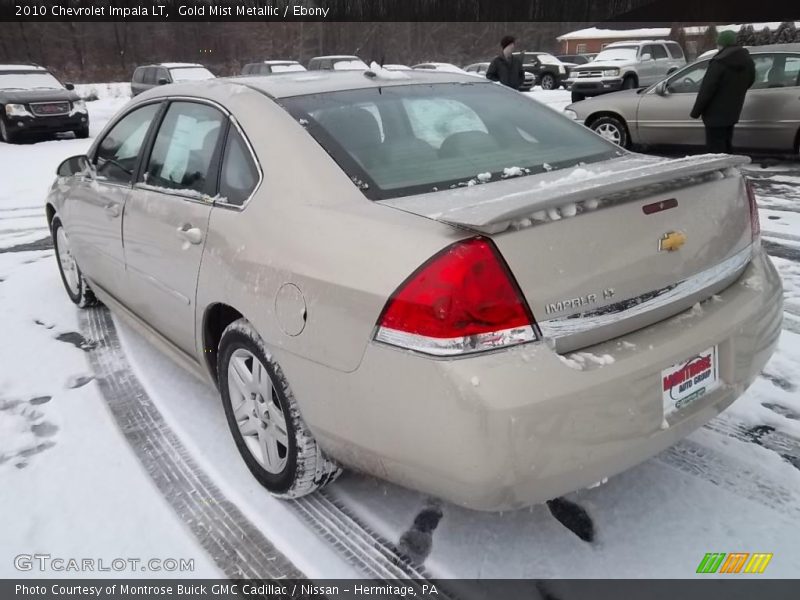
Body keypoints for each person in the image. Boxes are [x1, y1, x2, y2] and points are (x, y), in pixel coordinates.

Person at [690, 30, 755, 153]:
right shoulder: (747, 61)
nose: (717, 47)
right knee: (726, 144)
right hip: (733, 111)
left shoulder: (719, 62)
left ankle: (720, 165)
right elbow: (750, 81)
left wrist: (696, 112)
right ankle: (728, 165)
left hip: (714, 115)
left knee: (715, 150)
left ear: (722, 44)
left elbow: (707, 89)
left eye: (718, 44)